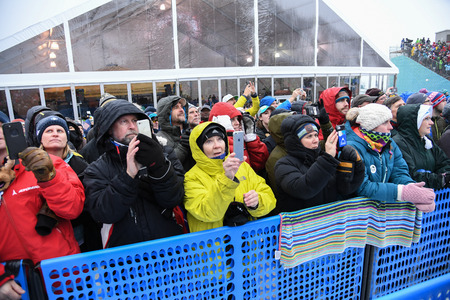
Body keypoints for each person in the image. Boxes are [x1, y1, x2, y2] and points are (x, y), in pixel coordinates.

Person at [83, 100, 184, 248]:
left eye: (135, 121)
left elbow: (174, 198)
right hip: (125, 258)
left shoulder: (165, 154)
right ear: (109, 128)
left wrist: (158, 165)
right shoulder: (97, 169)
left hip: (169, 250)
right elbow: (103, 213)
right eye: (124, 121)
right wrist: (128, 175)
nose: (132, 126)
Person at [0, 145, 84, 299]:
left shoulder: (44, 161)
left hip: (63, 275)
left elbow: (73, 208)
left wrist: (50, 178)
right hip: (14, 284)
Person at [183, 122, 276, 233]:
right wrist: (226, 179)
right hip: (213, 246)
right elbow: (209, 213)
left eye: (220, 139)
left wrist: (257, 202)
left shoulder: (242, 167)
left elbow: (270, 199)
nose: (217, 145)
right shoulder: (192, 178)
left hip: (246, 243)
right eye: (209, 141)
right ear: (198, 148)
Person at [345, 104, 435, 212]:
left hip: (380, 212)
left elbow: (399, 172)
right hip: (356, 214)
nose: (391, 127)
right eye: (385, 122)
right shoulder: (351, 147)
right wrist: (402, 192)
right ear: (371, 125)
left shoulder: (389, 143)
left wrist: (411, 187)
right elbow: (362, 187)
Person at [34, 113, 101, 251]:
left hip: (81, 234)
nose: (55, 134)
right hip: (45, 238)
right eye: (49, 131)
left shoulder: (80, 164)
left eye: (60, 131)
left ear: (66, 137)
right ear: (40, 138)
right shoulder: (31, 166)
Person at [274, 114, 365, 213]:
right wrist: (328, 159)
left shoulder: (323, 158)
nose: (315, 140)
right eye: (309, 136)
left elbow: (345, 189)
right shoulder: (283, 164)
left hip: (329, 221)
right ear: (295, 141)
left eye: (316, 135)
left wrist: (357, 164)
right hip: (302, 224)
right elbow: (304, 189)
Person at [393, 104, 450, 189]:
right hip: (410, 198)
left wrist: (444, 175)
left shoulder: (426, 140)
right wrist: (440, 179)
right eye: (426, 119)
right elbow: (410, 175)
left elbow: (444, 162)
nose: (431, 123)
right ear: (414, 121)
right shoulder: (398, 143)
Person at [208, 102, 269, 172]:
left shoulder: (242, 139)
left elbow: (259, 165)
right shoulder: (212, 145)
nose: (237, 123)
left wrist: (252, 140)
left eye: (237, 119)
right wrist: (229, 136)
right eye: (232, 119)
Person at [156, 96, 189, 164]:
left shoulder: (190, 131)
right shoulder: (159, 139)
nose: (181, 110)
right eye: (176, 107)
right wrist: (183, 147)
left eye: (182, 107)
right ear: (166, 113)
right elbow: (167, 164)